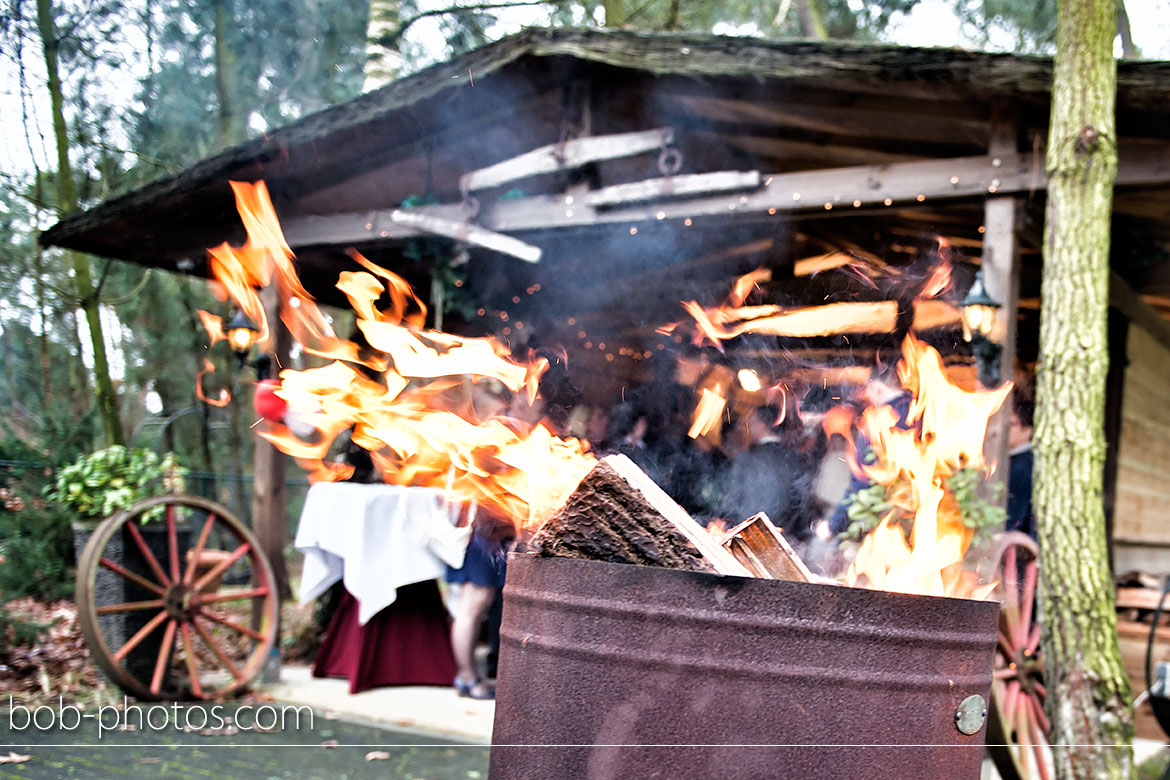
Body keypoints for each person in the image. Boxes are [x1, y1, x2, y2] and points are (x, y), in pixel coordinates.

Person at [827, 361, 913, 537]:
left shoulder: (877, 423)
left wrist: (833, 526)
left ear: (876, 387)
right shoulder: (925, 410)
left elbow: (863, 477)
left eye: (868, 388)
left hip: (888, 522)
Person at [718, 404, 819, 539]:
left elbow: (732, 502)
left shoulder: (746, 459)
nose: (748, 426)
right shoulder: (798, 460)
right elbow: (803, 506)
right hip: (783, 539)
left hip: (745, 537)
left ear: (761, 424)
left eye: (752, 421)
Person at [1006, 392, 1036, 539]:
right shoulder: (1016, 461)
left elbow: (1013, 518)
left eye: (1011, 424)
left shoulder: (1023, 466)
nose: (1005, 428)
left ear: (1027, 431)